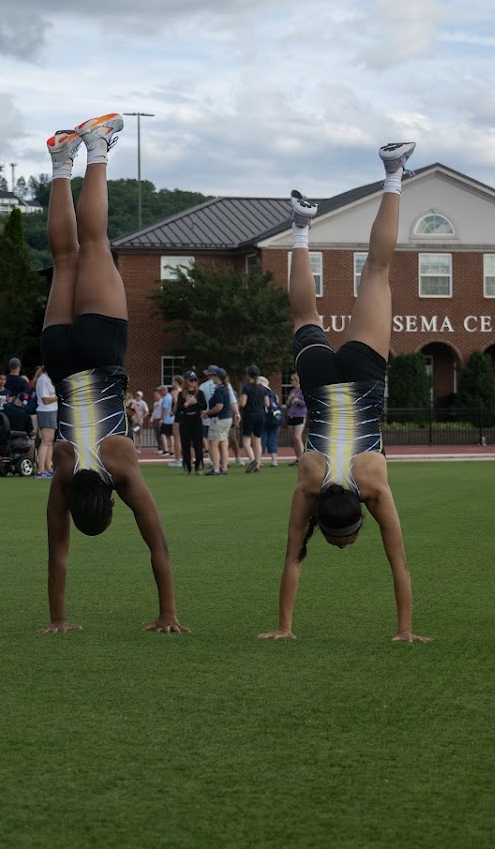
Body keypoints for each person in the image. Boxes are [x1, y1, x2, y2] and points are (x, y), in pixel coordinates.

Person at [258, 141, 428, 644]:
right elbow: (292, 558)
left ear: (358, 515)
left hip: (361, 375)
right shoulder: (308, 483)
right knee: (304, 315)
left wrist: (406, 631)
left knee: (376, 271)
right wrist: (282, 627)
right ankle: (300, 225)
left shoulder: (373, 484)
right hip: (317, 379)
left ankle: (393, 173)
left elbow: (400, 563)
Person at [39, 114, 185, 634]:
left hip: (100, 354)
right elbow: (56, 556)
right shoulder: (61, 471)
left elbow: (158, 544)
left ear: (109, 501)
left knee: (95, 245)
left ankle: (97, 147)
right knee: (64, 258)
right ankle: (61, 160)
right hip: (60, 358)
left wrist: (168, 613)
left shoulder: (120, 465)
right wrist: (57, 620)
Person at [174, 371, 205, 474]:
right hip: (185, 419)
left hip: (196, 419)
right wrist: (186, 403)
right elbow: (178, 408)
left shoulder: (199, 393)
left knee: (198, 444)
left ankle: (199, 466)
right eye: (191, 380)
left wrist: (195, 403)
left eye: (195, 380)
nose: (193, 382)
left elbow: (204, 406)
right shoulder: (181, 394)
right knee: (185, 444)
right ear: (186, 381)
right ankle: (186, 467)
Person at [203, 367, 233, 476]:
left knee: (213, 444)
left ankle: (216, 468)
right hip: (227, 418)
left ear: (217, 376)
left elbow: (219, 406)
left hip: (219, 419)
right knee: (223, 443)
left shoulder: (219, 390)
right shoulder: (225, 388)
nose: (211, 378)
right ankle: (223, 468)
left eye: (212, 376)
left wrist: (207, 413)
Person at [33, 364, 58, 477]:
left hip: (52, 411)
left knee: (50, 441)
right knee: (45, 441)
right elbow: (45, 400)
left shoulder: (49, 379)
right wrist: (58, 397)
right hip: (46, 411)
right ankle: (40, 469)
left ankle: (48, 467)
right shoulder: (43, 380)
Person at [284, 373, 306, 464]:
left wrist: (298, 400)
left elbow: (305, 403)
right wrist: (289, 400)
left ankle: (303, 458)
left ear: (297, 380)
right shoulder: (292, 391)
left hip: (300, 415)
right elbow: (287, 404)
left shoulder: (302, 391)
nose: (291, 382)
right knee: (292, 439)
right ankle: (297, 458)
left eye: (292, 380)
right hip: (291, 415)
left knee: (297, 437)